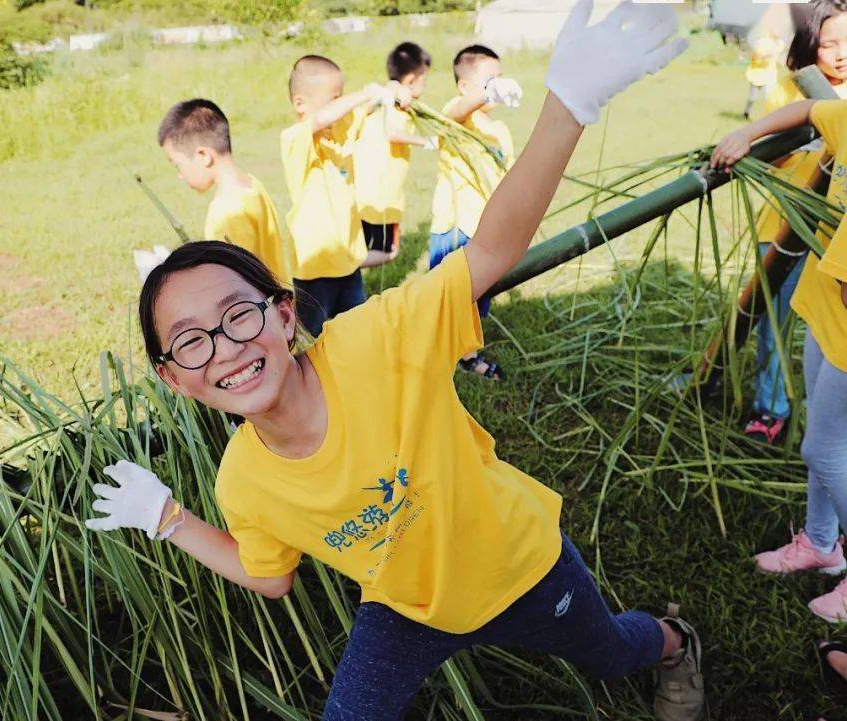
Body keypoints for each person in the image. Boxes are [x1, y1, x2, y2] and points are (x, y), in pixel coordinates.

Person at [90, 2, 697, 719]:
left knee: (611, 654)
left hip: (518, 562)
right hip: (406, 606)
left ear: (284, 315)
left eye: (238, 314)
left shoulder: (376, 338)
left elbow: (491, 253)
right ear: (173, 376)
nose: (226, 347)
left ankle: (676, 641)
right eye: (192, 340)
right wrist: (167, 516)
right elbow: (268, 572)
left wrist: (568, 106)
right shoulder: (244, 481)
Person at [712, 71, 847, 624]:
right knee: (826, 436)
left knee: (822, 450)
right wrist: (748, 133)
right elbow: (812, 111)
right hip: (826, 315)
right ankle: (820, 541)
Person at [740, 0, 847, 444]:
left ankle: (825, 410)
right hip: (784, 226)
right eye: (830, 44)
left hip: (836, 238)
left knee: (829, 328)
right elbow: (766, 150)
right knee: (776, 321)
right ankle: (772, 406)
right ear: (809, 47)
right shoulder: (792, 89)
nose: (842, 53)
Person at [281, 55, 407, 336]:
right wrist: (365, 93)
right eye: (333, 98)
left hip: (349, 261)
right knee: (314, 335)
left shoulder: (339, 131)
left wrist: (392, 90)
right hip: (316, 267)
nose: (340, 105)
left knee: (356, 330)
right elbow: (325, 116)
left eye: (341, 96)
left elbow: (369, 107)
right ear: (300, 103)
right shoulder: (294, 138)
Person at [429, 44, 522, 379]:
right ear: (465, 86)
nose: (497, 86)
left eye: (501, 78)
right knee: (451, 298)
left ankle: (465, 354)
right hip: (457, 226)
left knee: (478, 298)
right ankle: (445, 355)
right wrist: (484, 95)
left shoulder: (499, 131)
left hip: (488, 229)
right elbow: (451, 116)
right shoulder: (456, 117)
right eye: (489, 80)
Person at [156, 98, 294, 288]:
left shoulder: (226, 213)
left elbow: (232, 283)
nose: (179, 175)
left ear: (203, 156)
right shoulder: (252, 184)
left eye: (177, 164)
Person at [354, 41, 436, 269]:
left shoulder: (382, 99)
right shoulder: (392, 102)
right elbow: (392, 133)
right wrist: (427, 142)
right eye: (424, 78)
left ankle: (345, 276)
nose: (425, 84)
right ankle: (341, 270)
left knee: (362, 245)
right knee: (387, 250)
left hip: (363, 190)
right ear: (411, 80)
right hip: (382, 194)